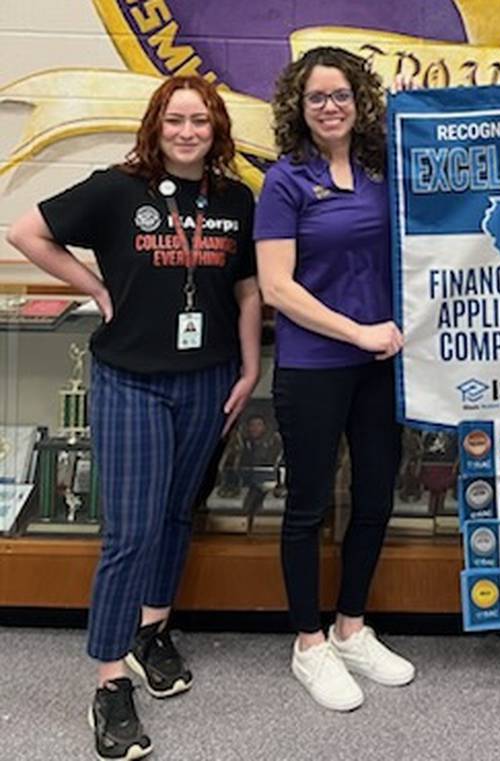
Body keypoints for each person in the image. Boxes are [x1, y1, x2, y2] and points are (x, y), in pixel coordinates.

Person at [7, 75, 262, 759]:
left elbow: (244, 285)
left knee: (178, 514)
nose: (187, 132)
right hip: (131, 381)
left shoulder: (234, 197)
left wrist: (248, 365)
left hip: (206, 380)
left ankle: (153, 629)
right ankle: (110, 678)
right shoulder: (116, 188)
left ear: (216, 130)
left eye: (200, 121)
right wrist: (94, 285)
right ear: (156, 125)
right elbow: (25, 230)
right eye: (175, 119)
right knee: (132, 530)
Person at [255, 46, 414, 712]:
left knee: (375, 496)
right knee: (309, 507)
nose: (329, 107)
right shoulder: (286, 180)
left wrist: (414, 105)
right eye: (317, 96)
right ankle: (309, 643)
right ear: (299, 104)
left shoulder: (381, 168)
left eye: (341, 95)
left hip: (379, 368)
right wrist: (357, 331)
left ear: (360, 101)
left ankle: (351, 626)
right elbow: (276, 286)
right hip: (316, 366)